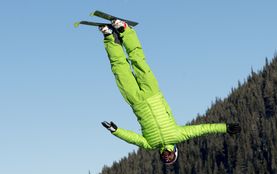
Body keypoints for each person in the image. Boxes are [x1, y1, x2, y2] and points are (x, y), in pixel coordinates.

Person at [99, 20, 241, 165]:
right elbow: (203, 129)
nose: (166, 157)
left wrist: (115, 130)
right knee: (138, 61)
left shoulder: (150, 144)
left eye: (165, 159)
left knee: (119, 69)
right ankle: (125, 31)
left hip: (136, 101)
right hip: (153, 93)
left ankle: (110, 37)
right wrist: (225, 128)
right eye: (170, 158)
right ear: (175, 152)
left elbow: (132, 138)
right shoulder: (178, 135)